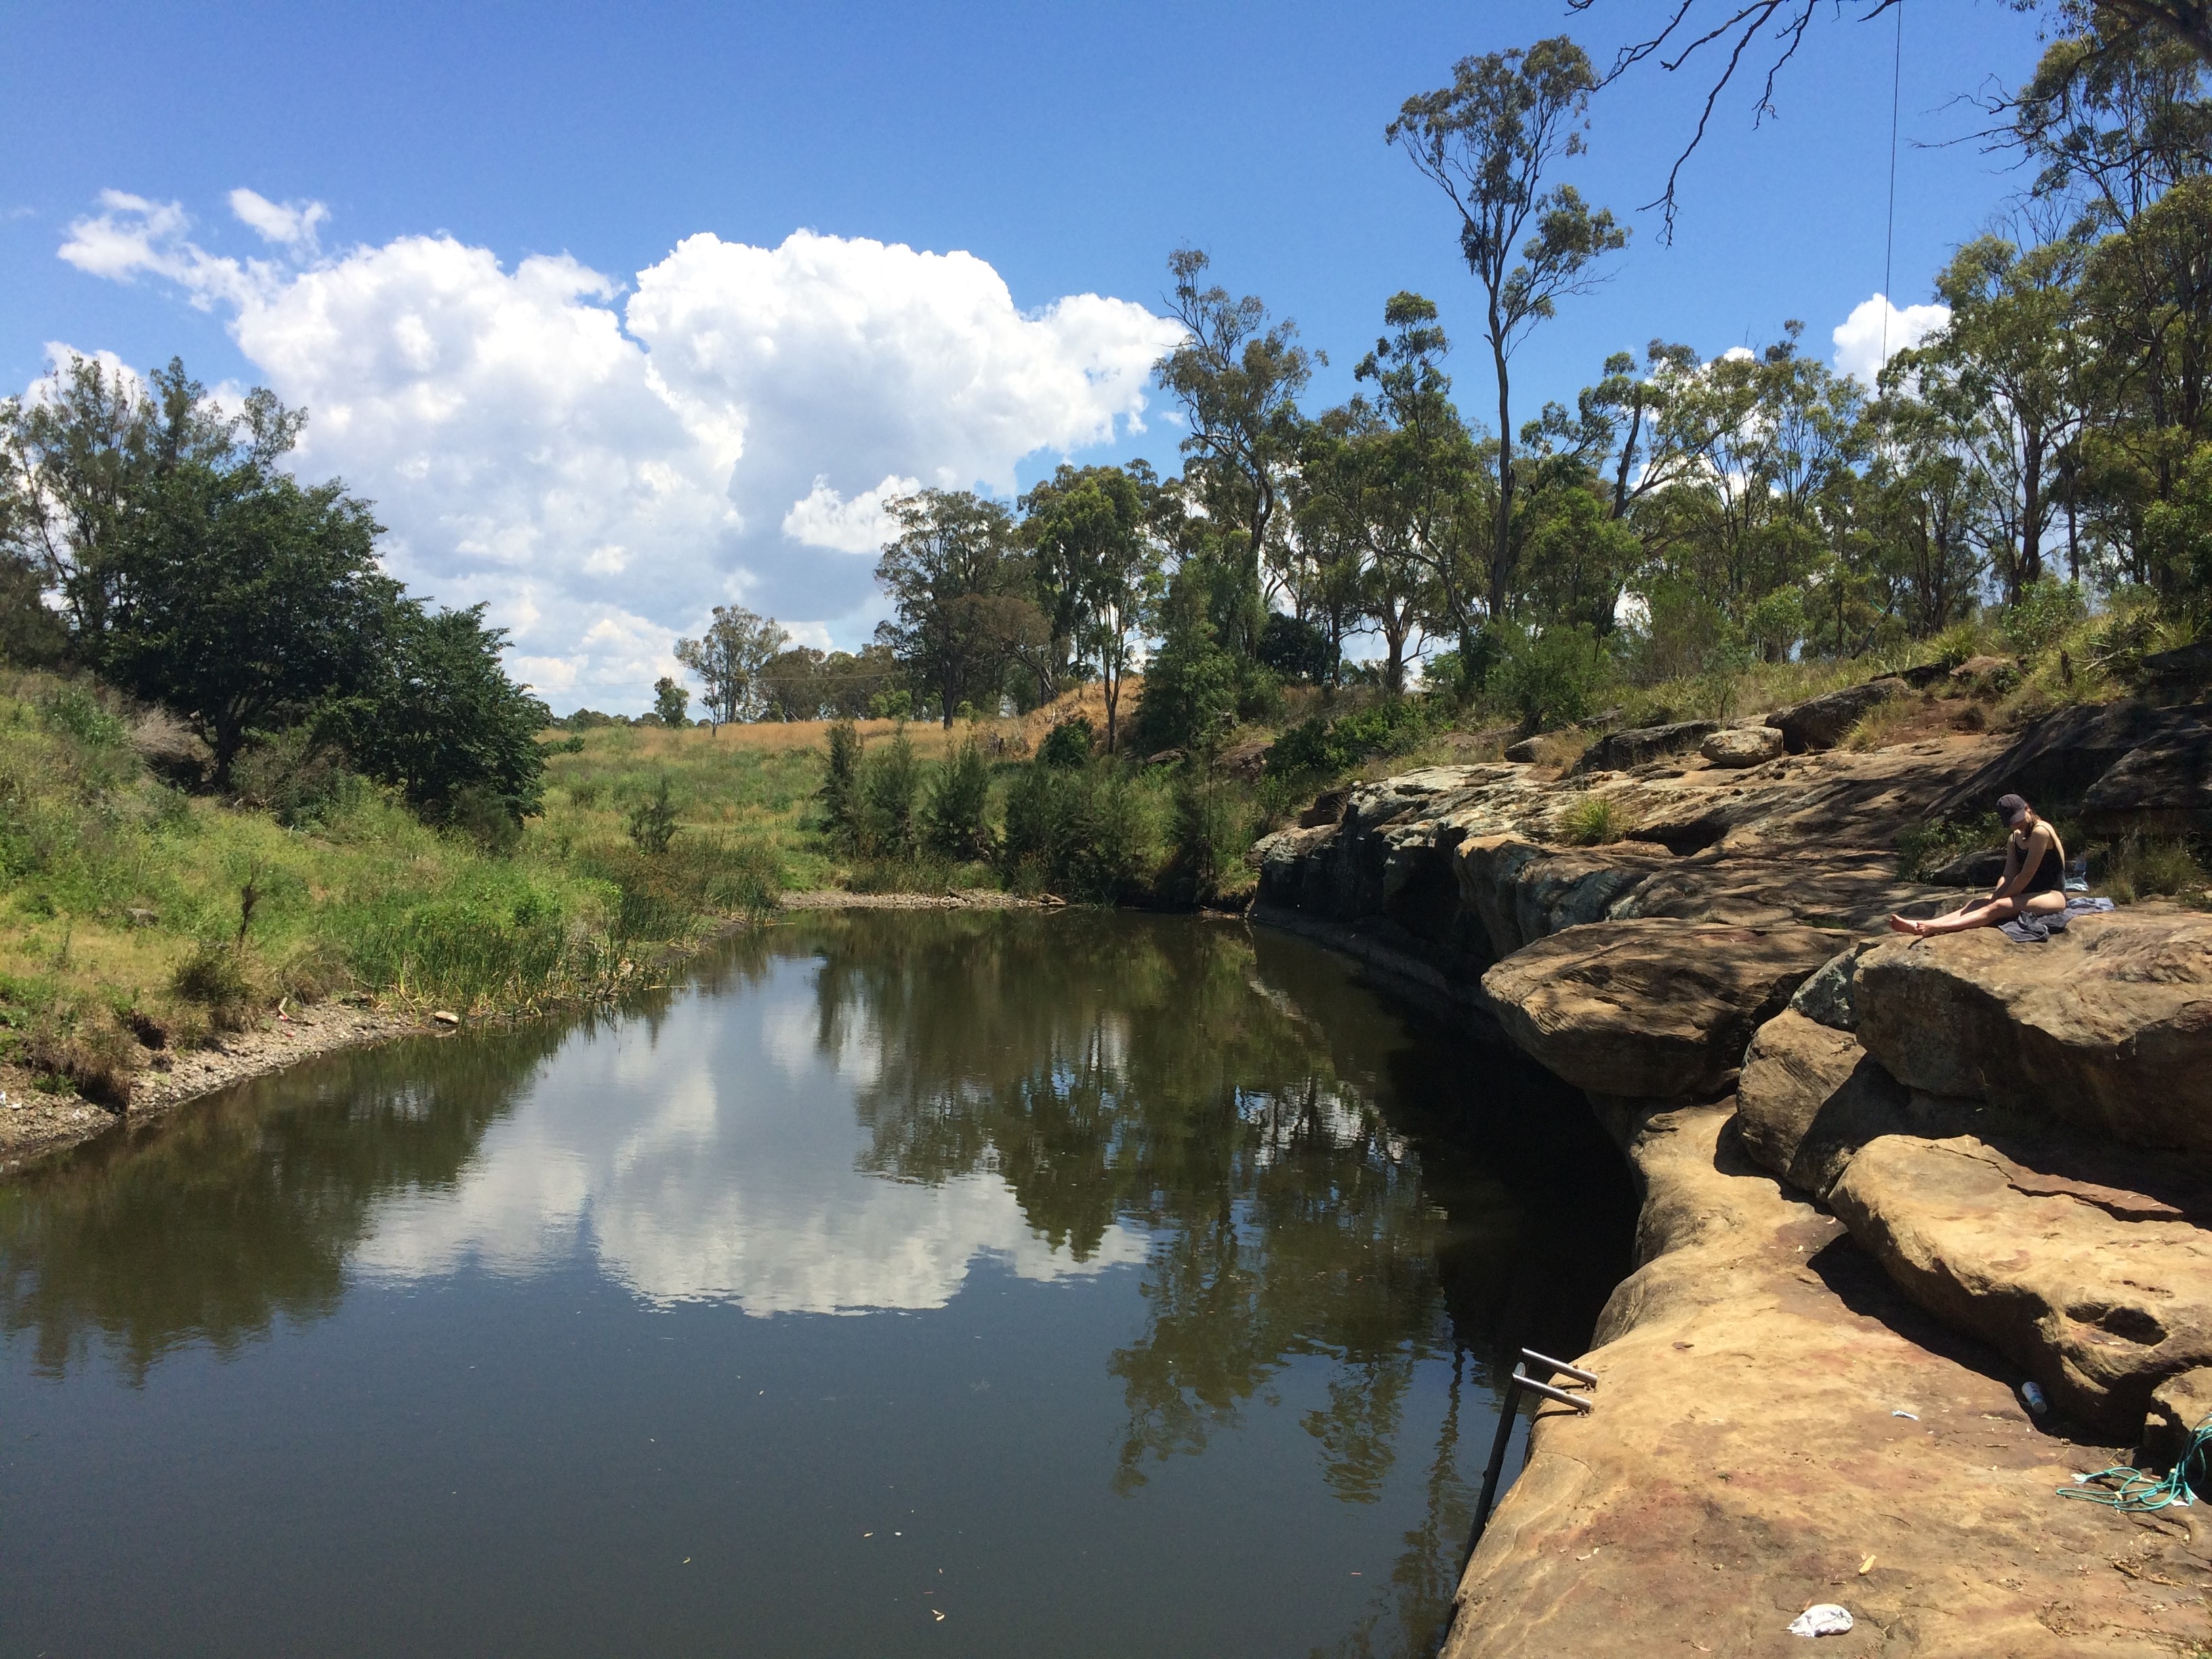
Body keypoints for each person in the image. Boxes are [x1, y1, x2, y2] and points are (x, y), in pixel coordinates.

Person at [1889, 793, 2068, 937]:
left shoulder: (2041, 831)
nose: (2017, 824)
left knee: (1997, 907)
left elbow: (2026, 875)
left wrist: (2000, 900)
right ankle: (1923, 924)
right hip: (2026, 894)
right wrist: (1996, 895)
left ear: (2027, 808)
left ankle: (1935, 928)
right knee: (1977, 903)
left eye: (2019, 819)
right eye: (2013, 822)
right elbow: (2008, 874)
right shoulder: (2014, 838)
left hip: (2051, 895)